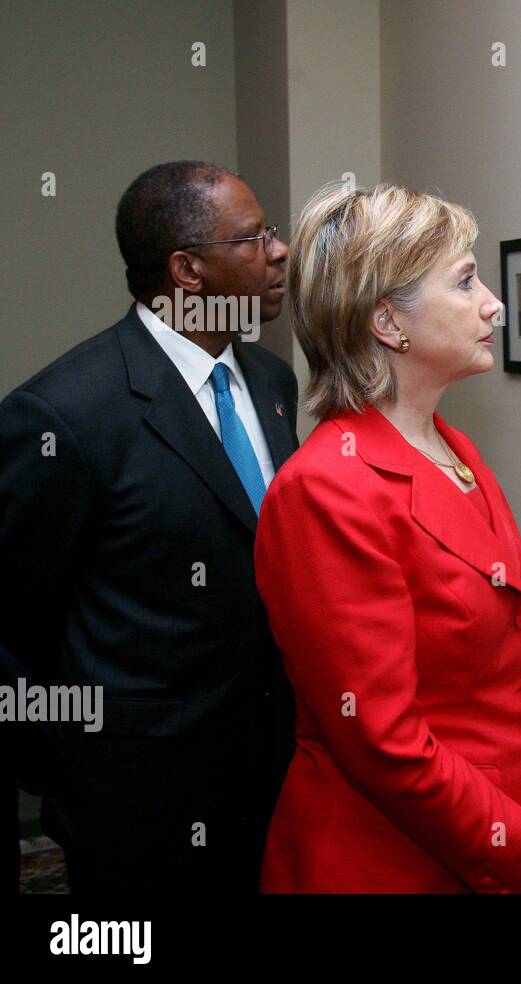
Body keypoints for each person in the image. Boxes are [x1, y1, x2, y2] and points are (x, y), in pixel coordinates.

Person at [254, 182, 521, 893]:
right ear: (387, 321)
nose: (493, 303)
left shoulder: (457, 451)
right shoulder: (326, 488)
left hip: (501, 837)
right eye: (465, 281)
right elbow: (383, 743)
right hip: (391, 861)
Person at [0, 161, 298, 893]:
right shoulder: (65, 416)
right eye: (255, 237)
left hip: (278, 774)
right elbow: (12, 621)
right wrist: (69, 763)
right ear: (188, 270)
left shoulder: (271, 382)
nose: (280, 250)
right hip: (140, 806)